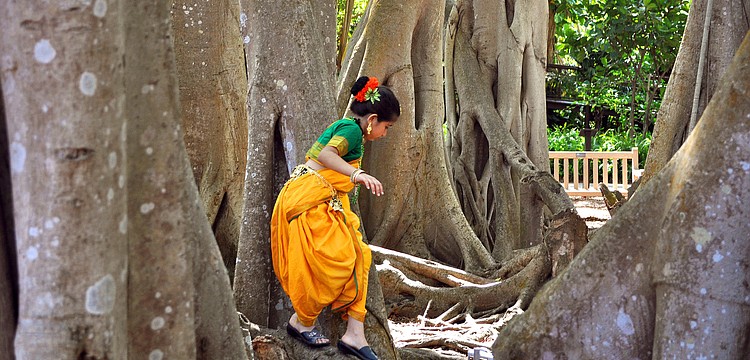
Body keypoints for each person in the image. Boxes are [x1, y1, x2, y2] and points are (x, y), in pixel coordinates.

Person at [270, 76, 400, 360]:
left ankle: (355, 334)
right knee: (334, 263)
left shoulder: (354, 133)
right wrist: (358, 175)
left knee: (359, 255)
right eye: (386, 127)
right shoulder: (350, 130)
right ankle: (301, 322)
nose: (385, 134)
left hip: (320, 201)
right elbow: (328, 155)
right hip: (308, 200)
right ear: (372, 119)